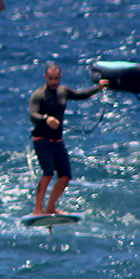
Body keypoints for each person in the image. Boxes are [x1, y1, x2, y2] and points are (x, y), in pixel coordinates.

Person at [28, 63, 107, 215]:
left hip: (58, 141)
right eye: (50, 79)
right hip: (42, 139)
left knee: (65, 176)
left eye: (56, 79)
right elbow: (33, 115)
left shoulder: (63, 91)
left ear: (60, 77)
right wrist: (46, 119)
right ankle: (38, 209)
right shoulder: (39, 95)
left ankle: (50, 207)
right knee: (48, 173)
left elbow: (80, 94)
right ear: (45, 77)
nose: (53, 82)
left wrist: (97, 88)